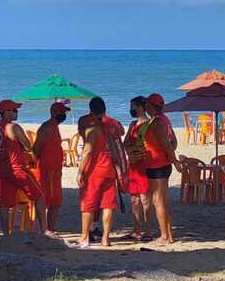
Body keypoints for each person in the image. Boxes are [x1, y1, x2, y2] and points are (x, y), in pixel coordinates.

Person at [0, 99, 51, 236]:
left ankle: (6, 234)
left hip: (3, 167)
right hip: (16, 168)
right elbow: (28, 145)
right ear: (6, 112)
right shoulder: (13, 127)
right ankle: (44, 230)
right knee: (39, 195)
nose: (17, 112)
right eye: (14, 110)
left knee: (5, 204)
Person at [77, 97, 118, 248]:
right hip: (110, 168)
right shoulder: (110, 126)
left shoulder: (92, 129)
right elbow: (120, 132)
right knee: (108, 205)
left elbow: (87, 151)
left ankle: (84, 237)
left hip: (95, 170)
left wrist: (80, 172)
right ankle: (106, 239)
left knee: (88, 204)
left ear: (90, 111)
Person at [144, 93, 181, 245]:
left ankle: (165, 236)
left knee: (158, 201)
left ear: (151, 106)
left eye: (147, 105)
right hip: (163, 164)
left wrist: (174, 160)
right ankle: (169, 235)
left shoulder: (156, 122)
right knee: (163, 202)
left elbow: (167, 143)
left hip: (157, 165)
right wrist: (170, 157)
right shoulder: (165, 120)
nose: (145, 107)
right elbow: (174, 141)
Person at [33, 102, 70, 233]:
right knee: (48, 202)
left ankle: (50, 229)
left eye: (65, 112)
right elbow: (36, 149)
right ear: (54, 113)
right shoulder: (47, 127)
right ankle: (46, 230)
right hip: (46, 171)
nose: (64, 115)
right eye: (62, 112)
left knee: (55, 202)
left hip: (55, 171)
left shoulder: (54, 126)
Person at [123, 96, 153, 241]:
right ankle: (136, 229)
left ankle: (148, 231)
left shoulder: (149, 124)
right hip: (133, 165)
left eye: (133, 106)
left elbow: (149, 145)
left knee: (145, 198)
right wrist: (131, 149)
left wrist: (136, 149)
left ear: (141, 107)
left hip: (143, 164)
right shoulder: (132, 124)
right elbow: (125, 142)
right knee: (134, 198)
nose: (131, 109)